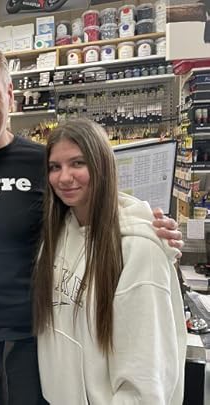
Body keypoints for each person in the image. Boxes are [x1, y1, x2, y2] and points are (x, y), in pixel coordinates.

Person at [0, 40, 183, 405]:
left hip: (26, 343)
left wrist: (145, 223)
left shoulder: (42, 162)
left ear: (10, 95)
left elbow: (91, 203)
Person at [34, 118, 187, 404]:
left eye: (78, 163)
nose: (64, 177)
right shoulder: (57, 234)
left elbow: (146, 377)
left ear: (102, 164)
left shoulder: (138, 248)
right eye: (55, 167)